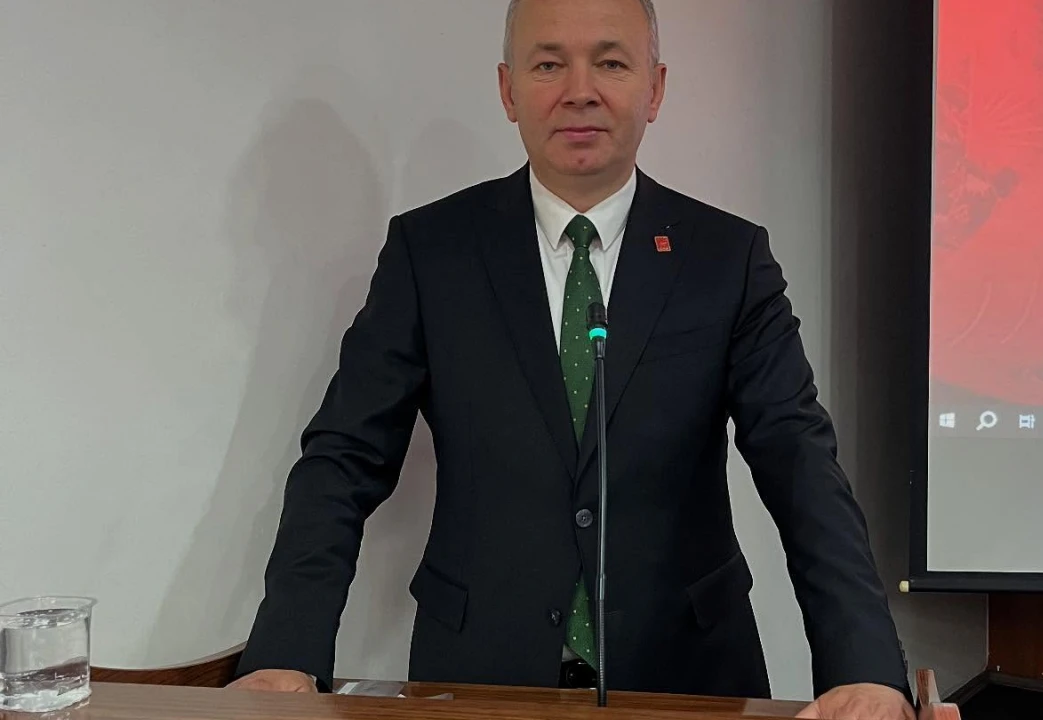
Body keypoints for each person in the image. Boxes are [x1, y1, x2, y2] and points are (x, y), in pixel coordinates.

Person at [229, 0, 911, 717]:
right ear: (508, 89)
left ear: (655, 87)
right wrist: (286, 653)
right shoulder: (432, 253)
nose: (579, 90)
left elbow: (799, 461)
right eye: (548, 64)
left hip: (687, 677)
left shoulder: (727, 259)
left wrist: (863, 668)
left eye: (610, 63)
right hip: (480, 680)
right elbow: (343, 459)